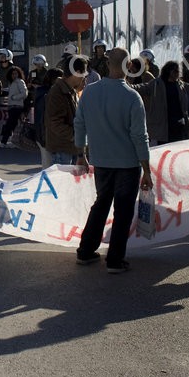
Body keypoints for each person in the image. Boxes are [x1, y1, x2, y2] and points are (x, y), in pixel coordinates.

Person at [74, 47, 153, 274]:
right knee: (123, 210)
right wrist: (146, 169)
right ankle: (115, 260)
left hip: (100, 160)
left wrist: (81, 153)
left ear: (107, 64)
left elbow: (79, 124)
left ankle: (85, 250)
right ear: (129, 66)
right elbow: (140, 136)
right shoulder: (132, 97)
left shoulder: (89, 92)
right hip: (127, 163)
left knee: (101, 204)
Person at [136, 60, 189, 146]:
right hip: (162, 128)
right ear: (169, 71)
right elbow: (141, 88)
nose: (178, 74)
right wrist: (125, 84)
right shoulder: (156, 84)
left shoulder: (181, 85)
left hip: (178, 127)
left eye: (178, 71)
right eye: (175, 71)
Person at [45, 56, 87, 164]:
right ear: (77, 73)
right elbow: (55, 123)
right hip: (62, 150)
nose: (84, 78)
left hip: (69, 149)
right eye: (83, 74)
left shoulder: (70, 91)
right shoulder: (57, 92)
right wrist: (76, 135)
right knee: (61, 176)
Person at [0, 65, 28, 148]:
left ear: (19, 74)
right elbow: (12, 91)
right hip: (12, 106)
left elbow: (24, 93)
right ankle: (15, 142)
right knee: (14, 125)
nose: (14, 75)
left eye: (16, 73)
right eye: (12, 74)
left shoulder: (20, 81)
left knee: (10, 124)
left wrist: (14, 97)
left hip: (16, 106)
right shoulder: (12, 83)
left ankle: (4, 141)